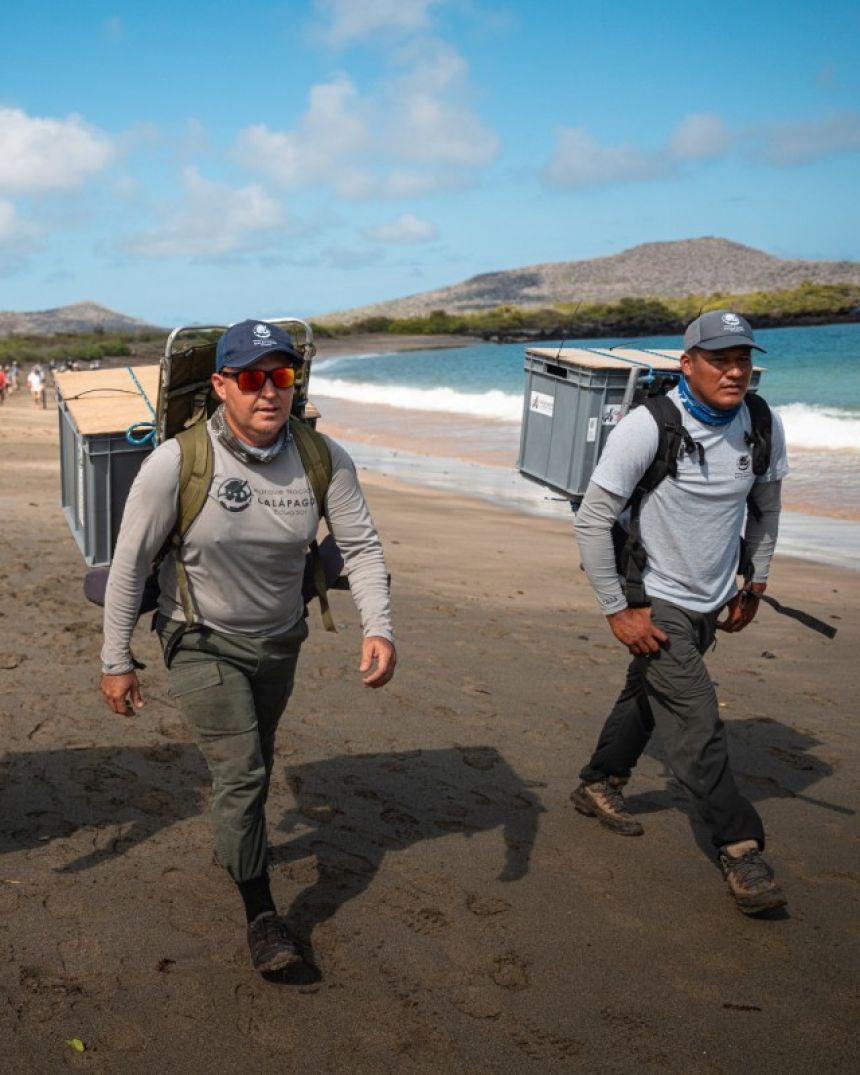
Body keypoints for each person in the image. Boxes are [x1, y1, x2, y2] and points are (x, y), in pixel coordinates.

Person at [100, 320, 396, 972]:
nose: (269, 391)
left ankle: (236, 841)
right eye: (252, 378)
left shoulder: (322, 458)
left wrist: (379, 626)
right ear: (220, 385)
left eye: (281, 376)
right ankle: (263, 916)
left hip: (281, 639)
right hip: (199, 637)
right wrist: (116, 660)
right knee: (243, 772)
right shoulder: (176, 462)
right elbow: (129, 564)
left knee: (253, 760)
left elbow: (362, 546)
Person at [572, 310, 789, 916]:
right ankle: (739, 847)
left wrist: (755, 581)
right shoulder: (648, 426)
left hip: (712, 595)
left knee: (649, 691)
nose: (734, 371)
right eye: (720, 360)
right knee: (697, 720)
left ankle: (599, 783)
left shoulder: (761, 422)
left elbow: (765, 508)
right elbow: (591, 520)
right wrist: (618, 610)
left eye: (742, 359)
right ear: (687, 364)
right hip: (654, 593)